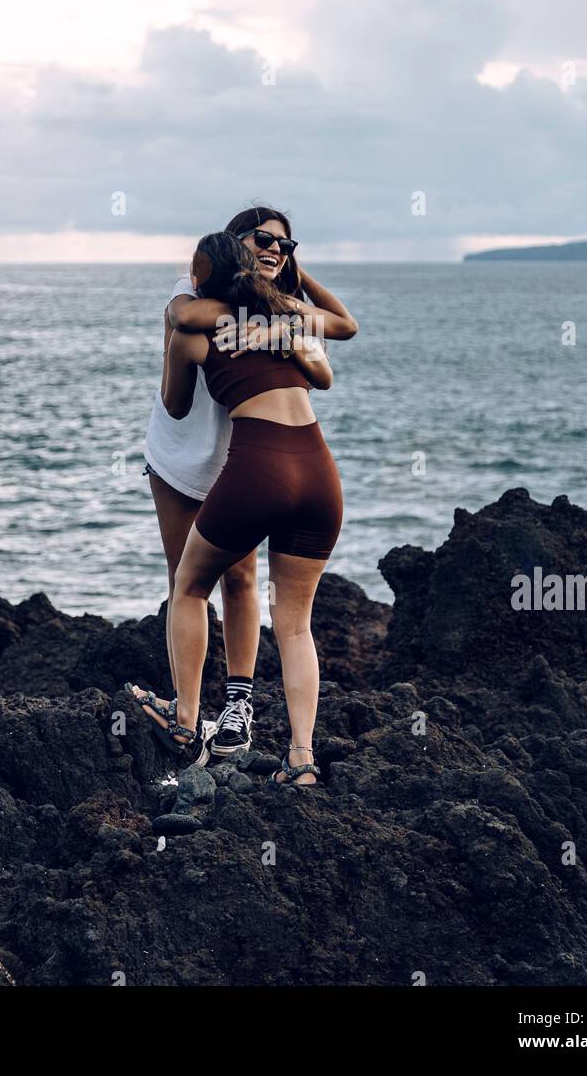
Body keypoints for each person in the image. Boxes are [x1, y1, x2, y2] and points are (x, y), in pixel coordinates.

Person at [132, 229, 346, 785]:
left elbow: (175, 407)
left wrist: (174, 348)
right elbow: (330, 359)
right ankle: (301, 760)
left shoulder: (193, 329)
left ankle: (184, 723)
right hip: (320, 475)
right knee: (296, 626)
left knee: (189, 585)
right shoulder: (285, 324)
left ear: (202, 278)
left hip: (260, 469)